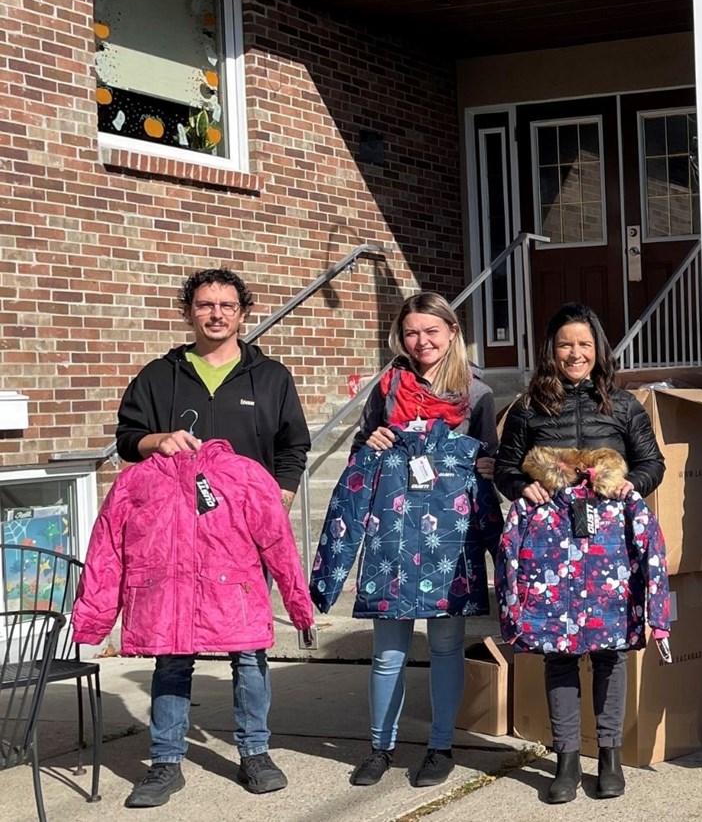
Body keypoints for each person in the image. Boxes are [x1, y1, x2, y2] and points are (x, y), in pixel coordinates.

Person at [111, 267, 312, 808]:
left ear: (243, 312)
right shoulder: (158, 376)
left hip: (242, 538)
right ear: (189, 312)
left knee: (247, 649)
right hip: (172, 537)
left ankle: (255, 752)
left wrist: (278, 500)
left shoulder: (270, 376)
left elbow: (294, 446)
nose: (216, 313)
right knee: (172, 649)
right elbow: (126, 440)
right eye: (205, 305)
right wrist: (160, 439)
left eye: (226, 304)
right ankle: (165, 762)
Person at [317, 293, 499, 790]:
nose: (421, 342)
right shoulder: (386, 388)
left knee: (444, 647)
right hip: (391, 538)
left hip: (449, 542)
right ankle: (380, 746)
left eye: (431, 332)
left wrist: (488, 467)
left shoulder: (476, 394)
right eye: (412, 333)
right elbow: (361, 454)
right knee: (387, 652)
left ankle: (440, 746)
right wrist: (370, 441)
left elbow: (492, 461)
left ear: (452, 331)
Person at [494, 303, 666, 803]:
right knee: (558, 653)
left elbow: (651, 464)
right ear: (552, 349)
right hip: (550, 547)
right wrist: (522, 486)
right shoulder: (528, 407)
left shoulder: (623, 405)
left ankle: (610, 754)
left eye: (584, 345)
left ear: (598, 350)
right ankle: (566, 758)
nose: (575, 353)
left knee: (611, 650)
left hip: (609, 544)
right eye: (566, 344)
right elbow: (506, 468)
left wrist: (626, 483)